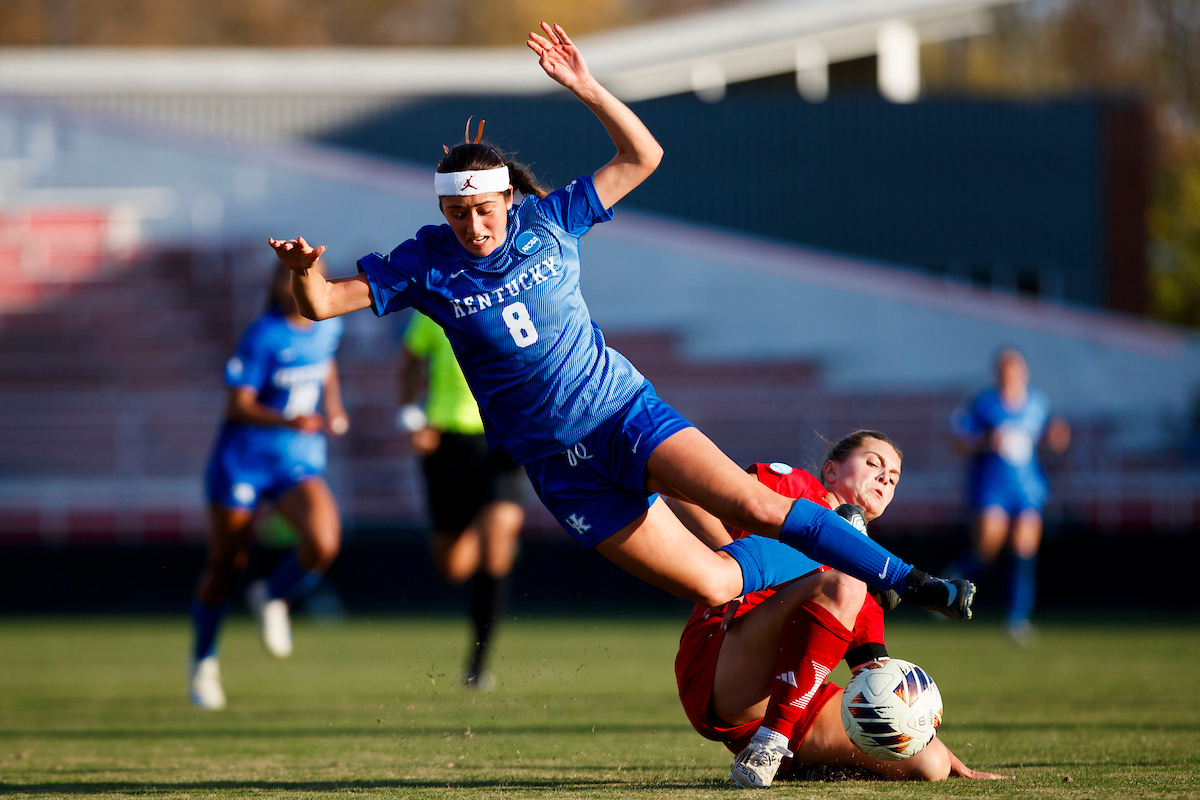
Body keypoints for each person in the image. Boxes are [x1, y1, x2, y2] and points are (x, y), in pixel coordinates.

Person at [267, 22, 974, 625]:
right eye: (458, 214)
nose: (473, 226)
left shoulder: (549, 220)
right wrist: (303, 270)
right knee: (716, 583)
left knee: (755, 505)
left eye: (484, 210)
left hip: (623, 413)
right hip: (559, 468)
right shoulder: (423, 261)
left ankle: (910, 579)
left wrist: (586, 87)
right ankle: (816, 556)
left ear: (508, 199)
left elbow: (644, 157)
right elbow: (321, 304)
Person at [672, 431, 1009, 787]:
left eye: (893, 478)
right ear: (830, 472)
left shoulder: (868, 581)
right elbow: (682, 491)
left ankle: (792, 762)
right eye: (873, 463)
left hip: (781, 705)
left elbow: (875, 684)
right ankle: (770, 745)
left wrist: (927, 738)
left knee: (930, 765)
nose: (884, 478)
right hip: (719, 666)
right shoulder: (791, 487)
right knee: (844, 582)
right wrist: (732, 563)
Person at [188, 264, 348, 710]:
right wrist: (287, 420)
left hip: (295, 460)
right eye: (288, 278)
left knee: (323, 541)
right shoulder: (264, 335)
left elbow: (326, 364)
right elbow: (237, 405)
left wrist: (333, 407)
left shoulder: (326, 327)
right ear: (278, 287)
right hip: (244, 462)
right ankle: (204, 662)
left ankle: (273, 596)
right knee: (226, 564)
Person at [397, 310, 526, 689]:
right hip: (448, 443)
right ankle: (479, 524)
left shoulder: (509, 301)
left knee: (498, 542)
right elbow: (408, 365)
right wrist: (411, 419)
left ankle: (478, 663)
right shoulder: (431, 311)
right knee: (452, 567)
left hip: (500, 442)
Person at [945, 348, 1070, 642]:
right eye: (1005, 370)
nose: (1010, 375)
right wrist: (987, 440)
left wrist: (1057, 437)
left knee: (1024, 549)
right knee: (987, 548)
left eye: (1015, 369)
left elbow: (1054, 434)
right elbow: (960, 439)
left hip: (1027, 487)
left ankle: (1017, 619)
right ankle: (947, 588)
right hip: (991, 486)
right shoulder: (984, 403)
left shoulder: (1038, 404)